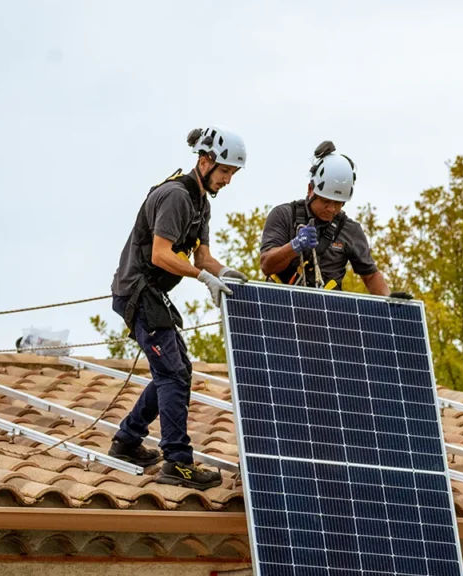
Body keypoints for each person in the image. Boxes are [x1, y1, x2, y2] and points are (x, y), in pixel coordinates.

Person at [106, 126, 248, 490]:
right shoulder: (176, 196)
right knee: (172, 373)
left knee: (177, 369)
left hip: (151, 294)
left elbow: (203, 257)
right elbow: (160, 254)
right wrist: (203, 277)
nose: (228, 180)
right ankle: (177, 462)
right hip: (138, 292)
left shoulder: (201, 203)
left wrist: (225, 274)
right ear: (204, 162)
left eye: (233, 173)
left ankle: (127, 441)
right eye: (225, 171)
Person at [259, 141, 411, 298]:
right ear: (311, 190)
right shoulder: (284, 216)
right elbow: (266, 265)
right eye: (326, 201)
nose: (332, 209)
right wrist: (295, 246)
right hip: (280, 304)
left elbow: (371, 276)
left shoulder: (350, 230)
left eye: (338, 203)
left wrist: (389, 300)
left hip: (327, 309)